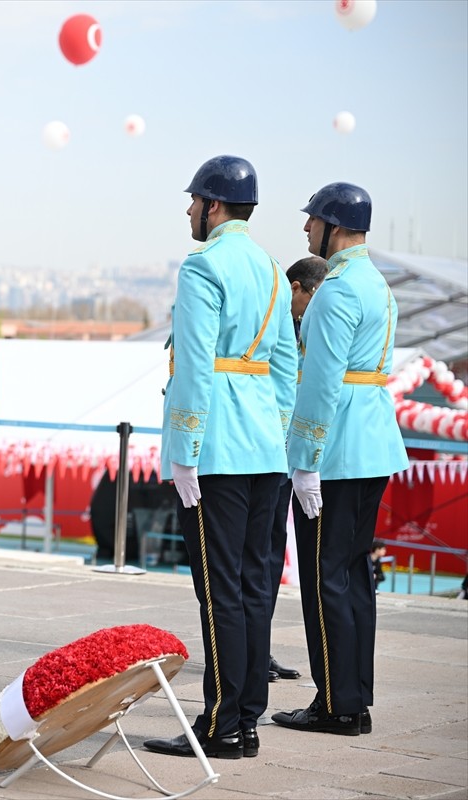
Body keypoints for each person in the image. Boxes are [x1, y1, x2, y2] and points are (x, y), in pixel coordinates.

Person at [144, 156, 296, 761]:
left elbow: (195, 367)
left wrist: (183, 451)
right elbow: (286, 368)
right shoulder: (272, 269)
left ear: (213, 206)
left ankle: (220, 724)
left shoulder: (203, 266)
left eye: (194, 201)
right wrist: (280, 438)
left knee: (218, 591)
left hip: (219, 449)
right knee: (255, 587)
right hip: (264, 447)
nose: (188, 211)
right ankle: (247, 720)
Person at [273, 183, 408, 737]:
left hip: (338, 449)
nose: (306, 230)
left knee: (325, 576)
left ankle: (334, 704)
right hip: (373, 440)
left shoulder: (336, 289)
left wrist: (304, 459)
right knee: (353, 575)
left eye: (312, 221)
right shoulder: (378, 284)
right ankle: (355, 695)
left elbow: (321, 383)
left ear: (332, 226)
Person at [266, 255, 328, 683]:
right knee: (258, 555)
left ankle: (259, 650)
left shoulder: (307, 328)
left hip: (293, 453)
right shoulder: (277, 325)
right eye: (310, 298)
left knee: (271, 553)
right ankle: (253, 650)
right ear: (295, 288)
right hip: (268, 449)